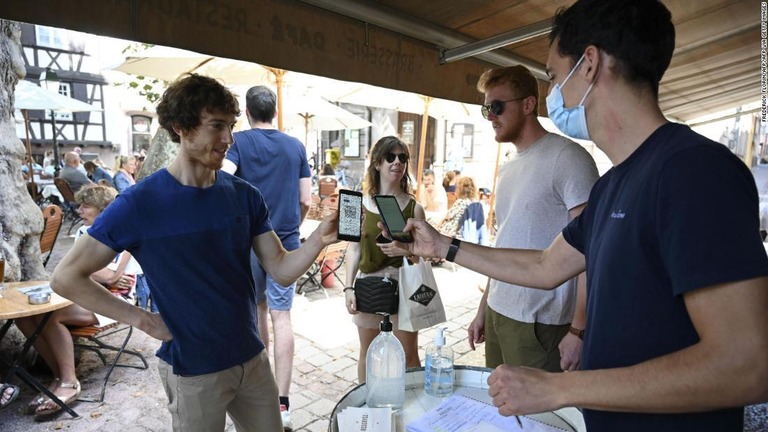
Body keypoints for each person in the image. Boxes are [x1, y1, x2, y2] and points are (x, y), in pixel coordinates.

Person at [388, 1, 768, 430]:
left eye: (553, 76)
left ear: (588, 64)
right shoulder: (613, 184)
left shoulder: (694, 171)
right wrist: (443, 246)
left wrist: (559, 388)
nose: (555, 95)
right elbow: (546, 265)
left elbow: (747, 365)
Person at [50, 73, 338, 432]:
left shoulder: (245, 196)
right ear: (181, 127)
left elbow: (280, 268)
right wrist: (143, 319)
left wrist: (318, 240)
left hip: (252, 360)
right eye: (216, 126)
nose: (228, 139)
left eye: (231, 126)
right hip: (193, 371)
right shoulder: (141, 202)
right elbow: (65, 277)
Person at [469, 64, 598, 374]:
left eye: (497, 107)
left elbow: (590, 251)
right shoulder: (509, 166)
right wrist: (483, 307)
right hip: (501, 311)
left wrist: (579, 330)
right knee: (501, 414)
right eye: (486, 108)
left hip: (541, 322)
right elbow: (505, 242)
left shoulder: (568, 158)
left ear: (528, 105)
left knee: (537, 420)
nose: (490, 117)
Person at [221, 85, 311, 430]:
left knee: (256, 311)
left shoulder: (239, 142)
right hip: (285, 240)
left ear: (247, 112)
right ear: (274, 112)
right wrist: (293, 227)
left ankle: (262, 393)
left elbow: (222, 179)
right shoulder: (295, 146)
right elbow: (305, 198)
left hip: (248, 242)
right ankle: (283, 402)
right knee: (283, 316)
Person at [16, 184, 136, 420]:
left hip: (116, 303)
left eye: (86, 205)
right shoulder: (83, 233)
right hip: (84, 297)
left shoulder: (124, 235)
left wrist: (83, 273)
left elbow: (110, 277)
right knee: (27, 315)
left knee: (52, 315)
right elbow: (74, 273)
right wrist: (86, 274)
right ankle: (59, 377)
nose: (79, 210)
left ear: (103, 209)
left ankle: (70, 381)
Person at [344, 136, 426, 382]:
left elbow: (423, 257)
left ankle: (413, 407)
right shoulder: (356, 202)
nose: (397, 162)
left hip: (404, 288)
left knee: (409, 355)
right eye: (390, 157)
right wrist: (348, 287)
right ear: (377, 163)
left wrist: (407, 251)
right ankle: (366, 406)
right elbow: (353, 249)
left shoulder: (414, 207)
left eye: (403, 157)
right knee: (367, 354)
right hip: (369, 286)